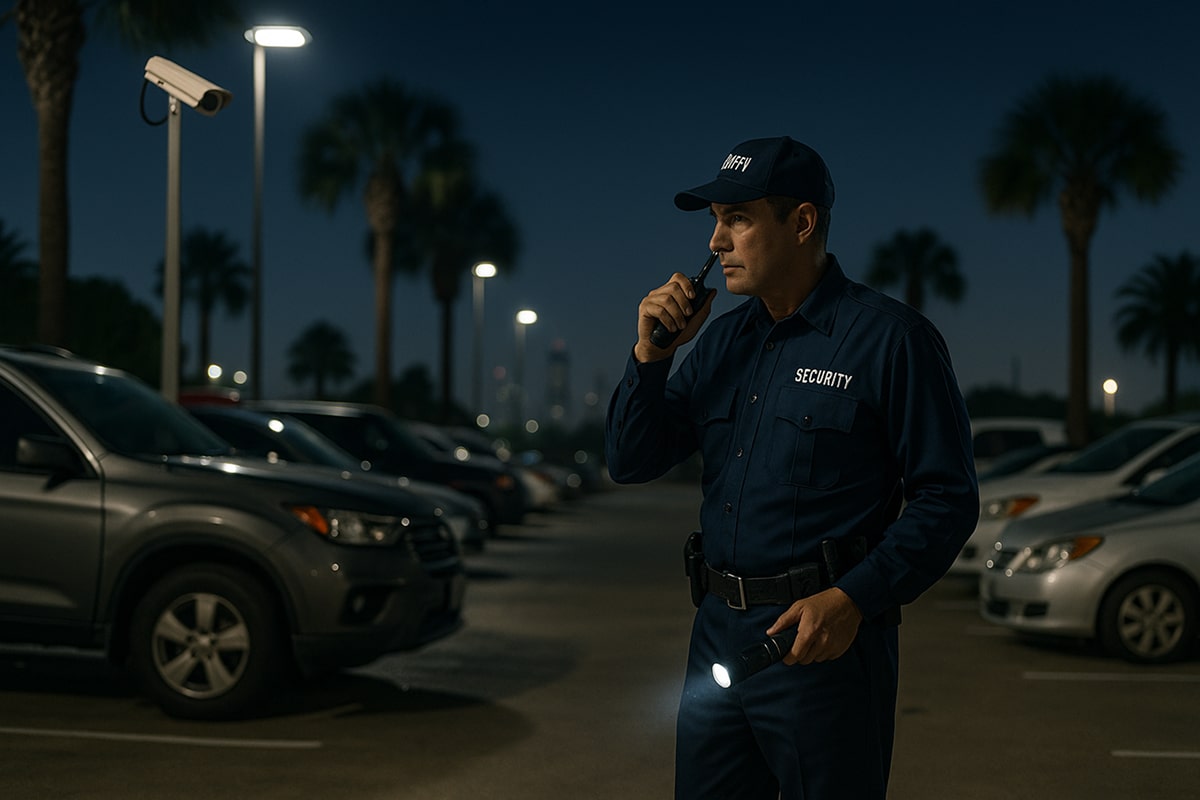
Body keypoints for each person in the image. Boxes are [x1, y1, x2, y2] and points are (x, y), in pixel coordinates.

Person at [604, 136, 979, 799]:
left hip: (822, 650)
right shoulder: (721, 341)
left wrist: (855, 598)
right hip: (717, 637)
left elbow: (946, 498)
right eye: (715, 221)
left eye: (738, 219)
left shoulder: (891, 341)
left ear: (802, 223)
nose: (717, 242)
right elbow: (631, 460)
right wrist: (650, 357)